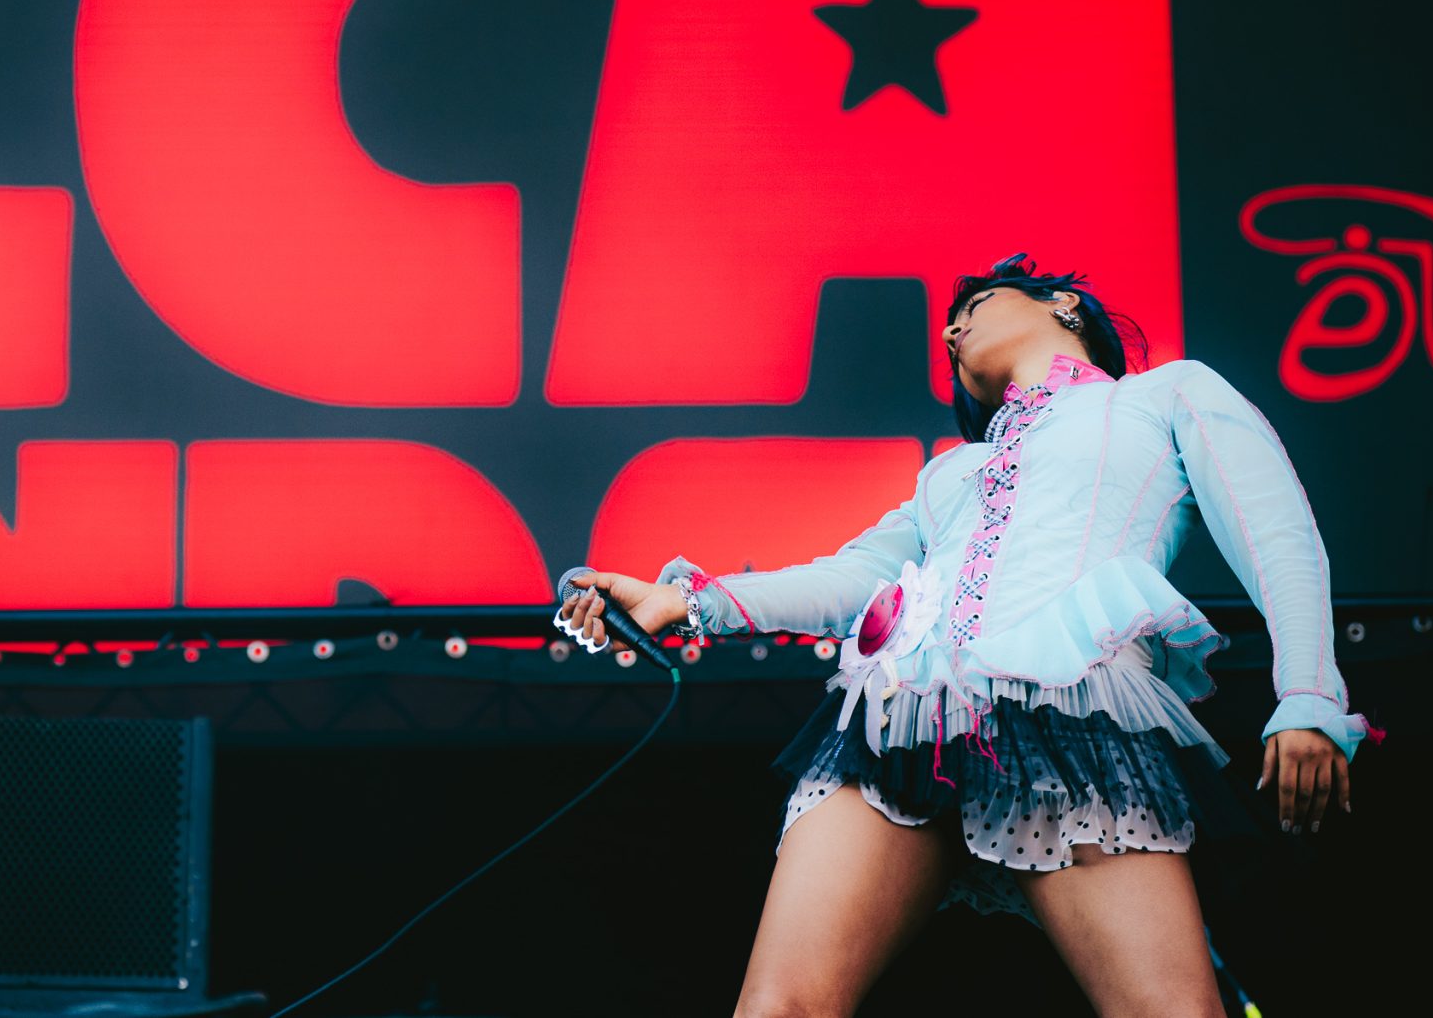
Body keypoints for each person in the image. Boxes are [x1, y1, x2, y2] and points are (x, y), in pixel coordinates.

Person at [554, 253, 1372, 1016]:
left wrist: (1308, 693)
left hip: (1072, 715)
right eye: (950, 324)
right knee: (777, 1006)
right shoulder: (950, 473)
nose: (951, 328)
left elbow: (1276, 532)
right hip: (900, 729)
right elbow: (852, 577)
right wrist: (688, 600)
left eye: (975, 304)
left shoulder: (1163, 396)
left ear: (1064, 303)